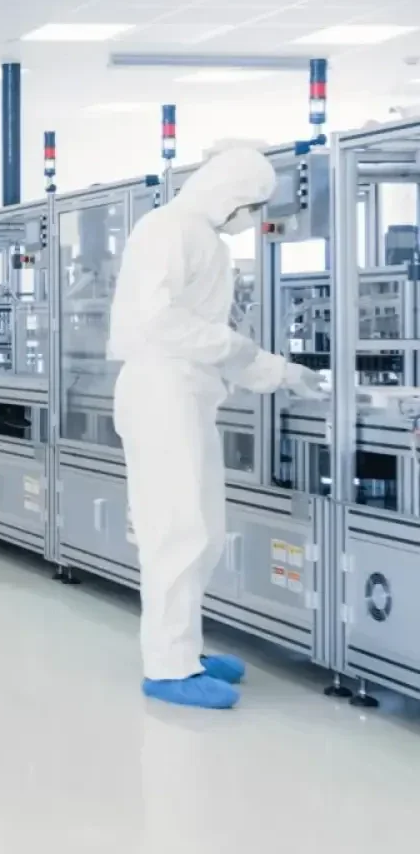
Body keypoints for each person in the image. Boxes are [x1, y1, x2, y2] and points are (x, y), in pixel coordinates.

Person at [107, 142, 326, 710]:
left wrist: (284, 373)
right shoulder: (168, 230)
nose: (253, 220)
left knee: (201, 530)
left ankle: (186, 649)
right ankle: (168, 667)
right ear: (231, 197)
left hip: (188, 394)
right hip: (161, 391)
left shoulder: (202, 238)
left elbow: (215, 341)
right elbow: (161, 323)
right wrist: (239, 347)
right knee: (174, 531)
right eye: (252, 208)